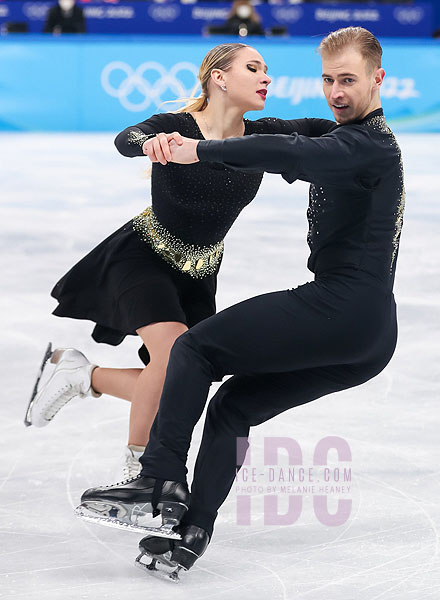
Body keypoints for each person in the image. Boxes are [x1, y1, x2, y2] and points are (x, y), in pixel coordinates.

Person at [78, 26, 406, 580]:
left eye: (348, 80)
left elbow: (279, 148)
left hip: (343, 307)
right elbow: (288, 147)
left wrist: (199, 150)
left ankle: (158, 477)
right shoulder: (345, 141)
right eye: (328, 80)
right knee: (233, 407)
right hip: (370, 339)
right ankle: (191, 532)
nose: (336, 92)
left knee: (194, 349)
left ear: (378, 79)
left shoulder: (366, 144)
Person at [26, 43, 337, 479]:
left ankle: (84, 375)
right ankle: (140, 473)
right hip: (143, 256)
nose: (266, 78)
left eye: (267, 70)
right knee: (172, 358)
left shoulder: (263, 135)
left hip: (199, 273)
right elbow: (126, 139)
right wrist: (150, 142)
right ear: (219, 77)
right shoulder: (177, 127)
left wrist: (367, 126)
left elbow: (328, 130)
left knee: (177, 378)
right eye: (253, 68)